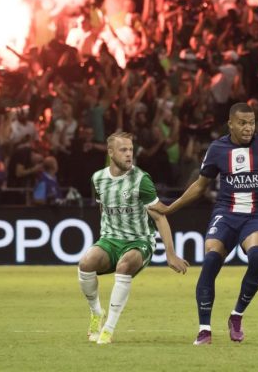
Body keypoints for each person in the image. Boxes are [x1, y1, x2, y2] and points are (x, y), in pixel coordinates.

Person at [161, 102, 258, 345]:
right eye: (242, 123)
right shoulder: (217, 149)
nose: (248, 128)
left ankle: (237, 315)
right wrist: (172, 207)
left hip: (256, 215)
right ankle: (204, 330)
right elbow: (200, 186)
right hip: (226, 213)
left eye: (252, 123)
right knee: (211, 260)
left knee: (257, 257)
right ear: (230, 124)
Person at [77, 131, 188, 345]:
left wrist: (171, 253)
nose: (129, 154)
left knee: (124, 264)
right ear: (111, 153)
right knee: (85, 263)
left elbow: (159, 216)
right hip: (110, 239)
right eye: (123, 150)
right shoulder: (98, 178)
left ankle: (108, 329)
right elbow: (103, 208)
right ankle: (96, 313)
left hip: (139, 241)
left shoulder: (141, 180)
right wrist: (106, 236)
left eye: (131, 149)